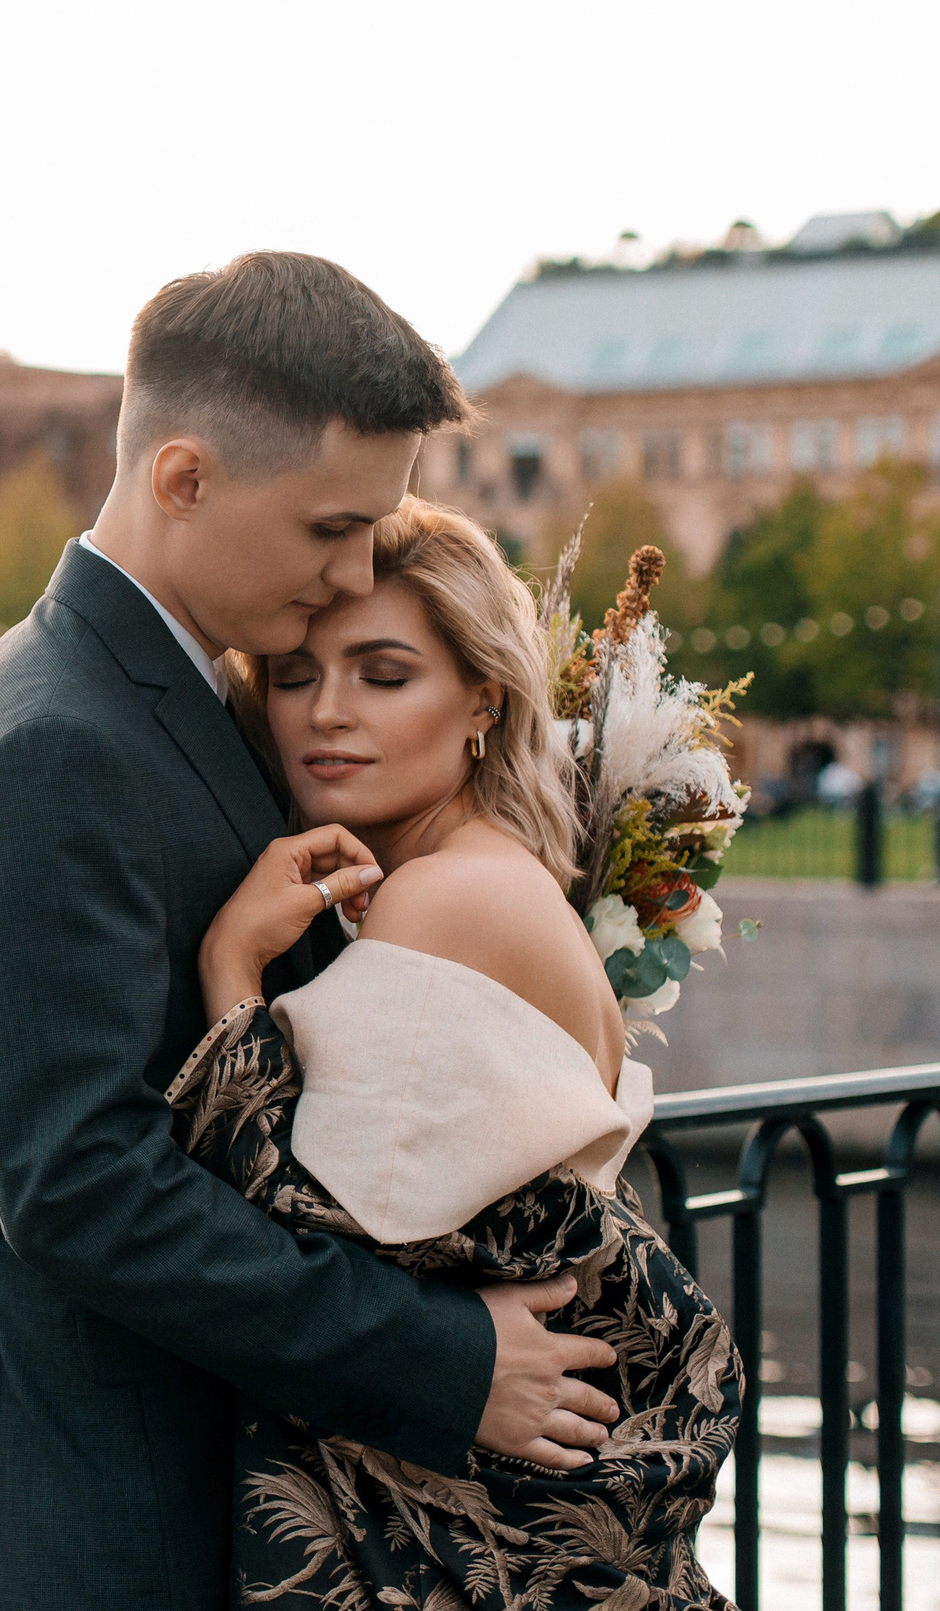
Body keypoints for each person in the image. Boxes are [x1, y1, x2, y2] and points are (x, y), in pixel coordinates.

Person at [0, 253, 620, 1610]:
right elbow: (79, 1185)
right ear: (183, 479)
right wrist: (442, 1356)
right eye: (331, 527)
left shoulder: (177, 697)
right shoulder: (61, 738)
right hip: (93, 1514)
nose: (359, 565)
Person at [171, 497, 735, 1606]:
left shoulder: (445, 899)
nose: (325, 713)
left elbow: (288, 1227)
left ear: (482, 697)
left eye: (383, 675)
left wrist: (231, 969)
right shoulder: (489, 874)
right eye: (293, 677)